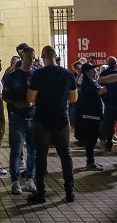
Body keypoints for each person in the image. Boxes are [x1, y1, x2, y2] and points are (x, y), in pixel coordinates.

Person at [26, 46, 78, 204]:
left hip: (42, 119)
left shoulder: (38, 74)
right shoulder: (67, 74)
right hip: (61, 118)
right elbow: (74, 98)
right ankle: (69, 192)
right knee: (65, 155)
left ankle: (40, 192)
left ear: (43, 57)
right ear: (56, 56)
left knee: (41, 156)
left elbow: (30, 98)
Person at [2, 46, 37, 196]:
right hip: (17, 117)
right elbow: (4, 95)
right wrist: (15, 103)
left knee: (33, 150)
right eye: (29, 57)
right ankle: (15, 181)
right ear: (22, 58)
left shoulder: (37, 75)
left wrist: (33, 103)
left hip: (33, 117)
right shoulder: (12, 75)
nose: (31, 60)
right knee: (16, 151)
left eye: (33, 57)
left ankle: (30, 178)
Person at [77, 62, 106, 170]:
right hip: (91, 114)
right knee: (91, 139)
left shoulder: (91, 81)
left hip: (94, 114)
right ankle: (90, 162)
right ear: (87, 72)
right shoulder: (88, 83)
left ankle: (91, 160)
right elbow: (100, 91)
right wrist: (108, 86)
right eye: (93, 70)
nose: (95, 71)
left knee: (93, 138)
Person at [99, 57, 117, 152]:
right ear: (116, 63)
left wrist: (105, 100)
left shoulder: (103, 74)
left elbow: (100, 89)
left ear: (107, 64)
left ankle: (108, 145)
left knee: (109, 126)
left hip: (109, 104)